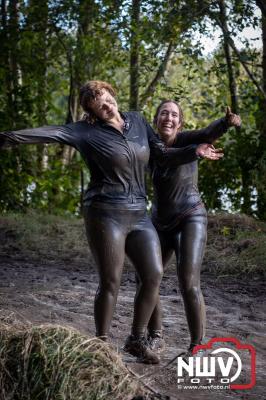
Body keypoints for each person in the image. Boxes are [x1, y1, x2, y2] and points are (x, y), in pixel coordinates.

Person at [0, 81, 222, 364]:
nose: (106, 106)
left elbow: (163, 156)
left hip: (140, 214)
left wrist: (195, 151)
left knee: (153, 274)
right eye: (98, 106)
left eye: (107, 99)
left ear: (113, 96)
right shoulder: (86, 132)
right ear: (92, 113)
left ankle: (136, 339)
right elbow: (50, 133)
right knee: (111, 281)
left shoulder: (139, 121)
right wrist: (6, 137)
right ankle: (101, 344)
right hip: (105, 213)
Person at [139, 101, 241, 354]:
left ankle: (197, 345)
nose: (169, 118)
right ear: (156, 120)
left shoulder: (188, 139)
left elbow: (208, 134)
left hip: (190, 217)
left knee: (188, 282)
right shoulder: (149, 147)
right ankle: (156, 336)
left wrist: (225, 123)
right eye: (164, 113)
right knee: (149, 279)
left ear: (180, 123)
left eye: (174, 115)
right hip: (159, 221)